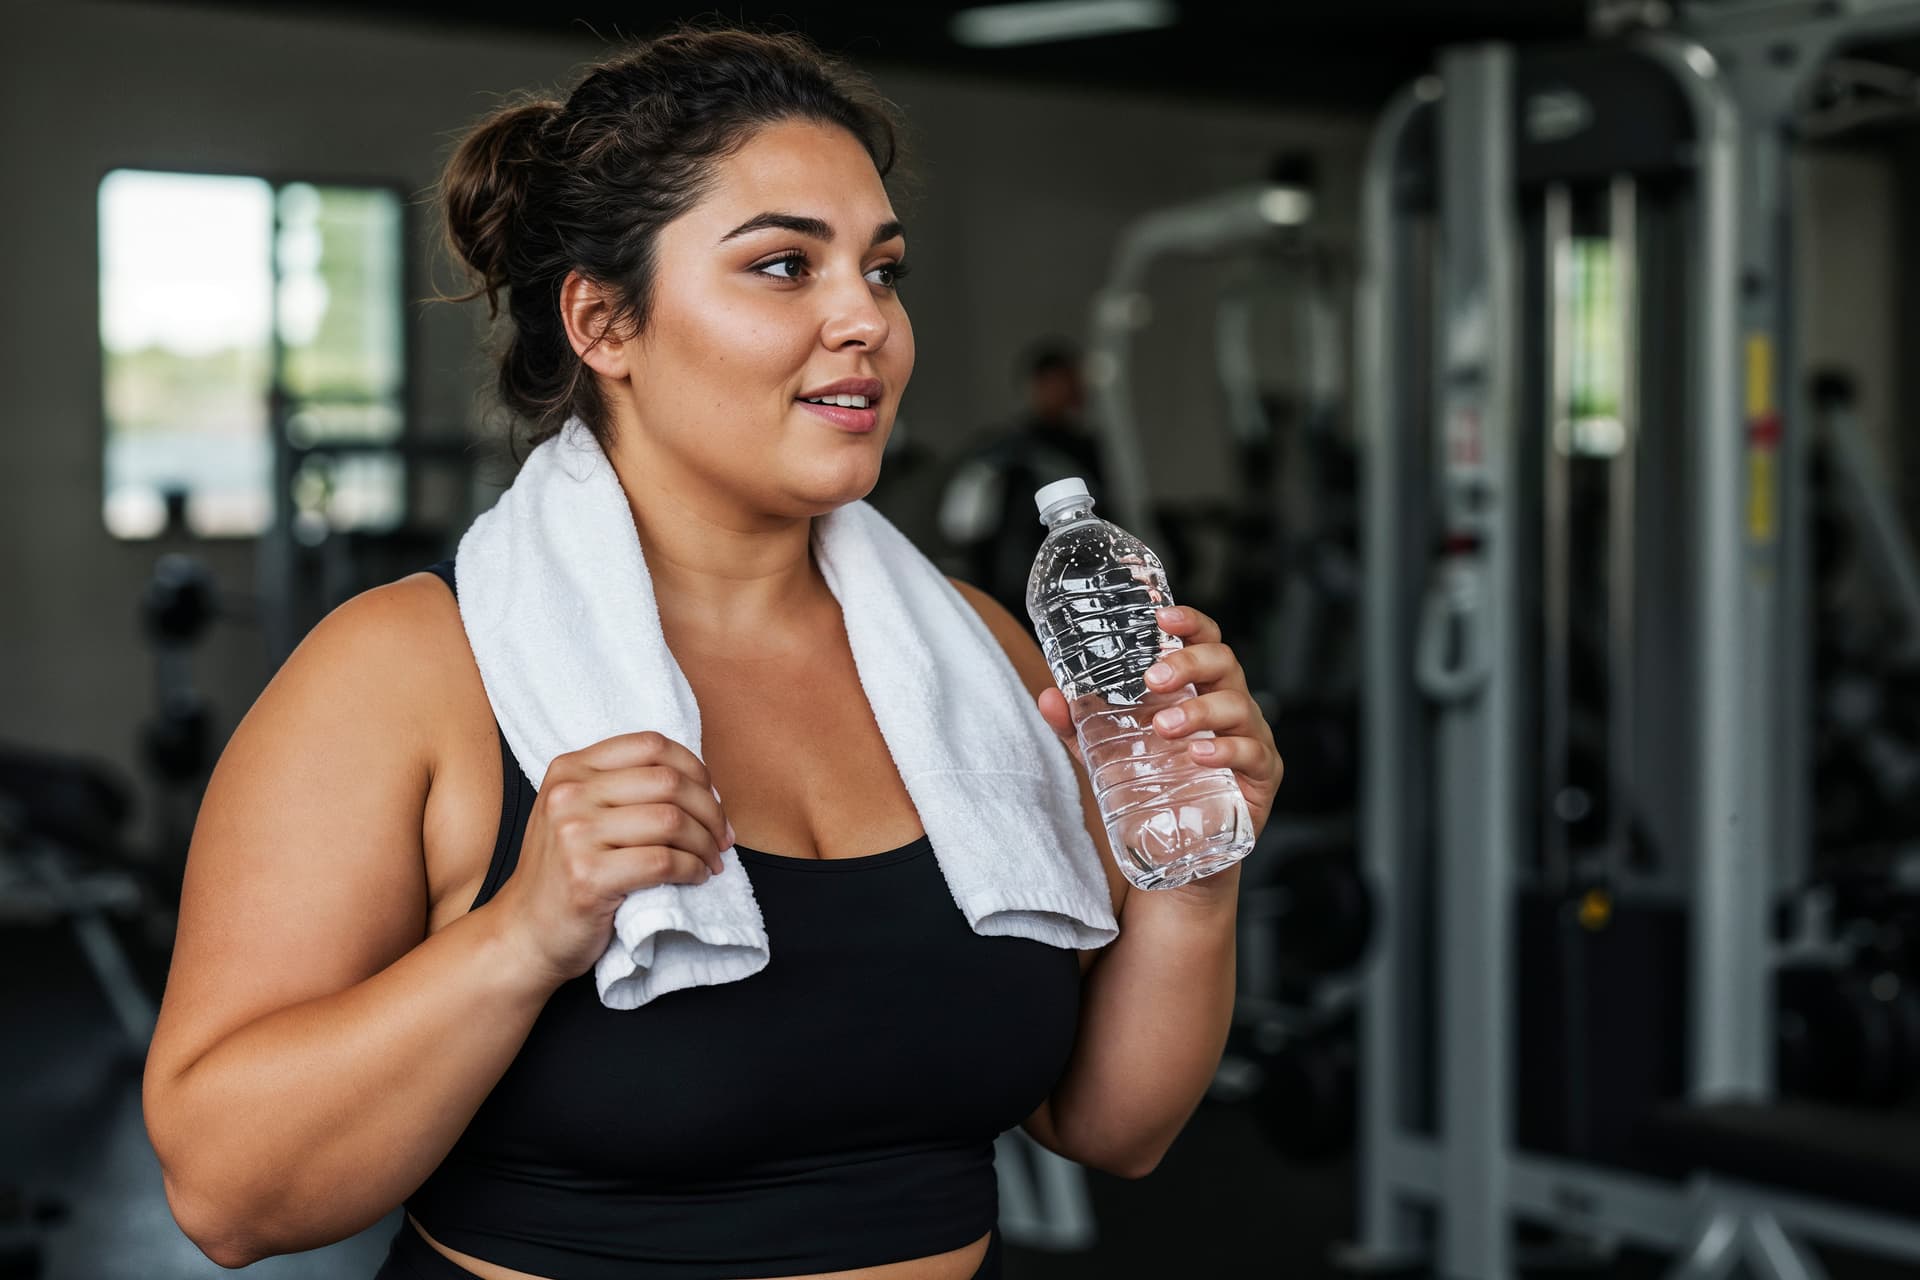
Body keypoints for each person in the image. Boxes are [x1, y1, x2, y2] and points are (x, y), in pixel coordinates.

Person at [140, 24, 1280, 1280]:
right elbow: (227, 1190)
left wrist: (1193, 851)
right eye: (786, 265)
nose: (868, 321)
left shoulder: (978, 653)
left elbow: (1113, 1125)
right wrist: (521, 934)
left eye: (883, 270)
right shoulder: (407, 670)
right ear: (603, 322)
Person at [939, 339, 1109, 623]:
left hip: (1081, 578)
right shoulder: (1006, 451)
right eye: (1057, 382)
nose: (1069, 391)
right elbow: (962, 521)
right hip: (1016, 584)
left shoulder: (1091, 449)